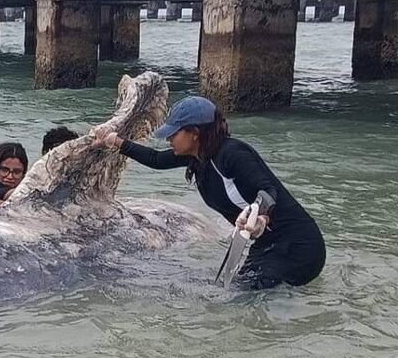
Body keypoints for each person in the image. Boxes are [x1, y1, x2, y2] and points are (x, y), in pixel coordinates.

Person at [94, 96, 325, 289]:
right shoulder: (197, 157)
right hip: (267, 244)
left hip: (298, 246)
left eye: (174, 133)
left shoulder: (232, 154)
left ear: (194, 132)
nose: (168, 138)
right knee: (228, 289)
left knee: (241, 298)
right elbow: (155, 159)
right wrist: (115, 141)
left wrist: (262, 218)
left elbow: (268, 189)